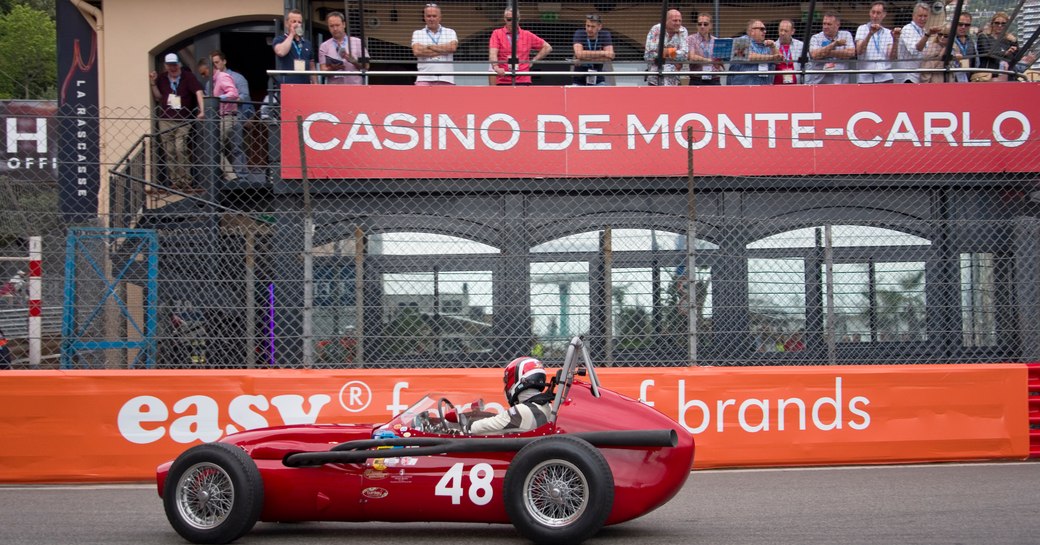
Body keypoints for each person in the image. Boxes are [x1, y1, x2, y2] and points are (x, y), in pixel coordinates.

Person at [149, 53, 204, 191]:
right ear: (165, 66)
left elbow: (198, 92)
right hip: (166, 120)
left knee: (181, 148)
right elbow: (158, 97)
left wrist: (202, 110)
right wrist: (153, 83)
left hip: (183, 120)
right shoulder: (162, 78)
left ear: (179, 64)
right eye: (169, 65)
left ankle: (185, 181)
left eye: (174, 64)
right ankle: (174, 181)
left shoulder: (188, 76)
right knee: (169, 151)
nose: (172, 67)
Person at [470, 356, 553, 435]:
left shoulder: (522, 411)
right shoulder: (548, 406)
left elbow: (476, 429)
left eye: (507, 380)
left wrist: (468, 424)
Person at [489, 9, 552, 86]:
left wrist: (533, 61)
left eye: (515, 19)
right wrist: (496, 67)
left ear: (519, 19)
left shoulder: (527, 35)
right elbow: (493, 53)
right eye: (509, 19)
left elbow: (547, 47)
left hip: (523, 78)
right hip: (504, 78)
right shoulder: (497, 33)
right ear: (504, 19)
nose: (512, 22)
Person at [208, 50, 242, 180]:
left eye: (216, 62)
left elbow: (233, 94)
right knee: (221, 147)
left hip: (228, 116)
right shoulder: (213, 81)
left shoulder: (222, 77)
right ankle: (228, 176)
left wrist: (218, 99)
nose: (215, 66)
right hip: (220, 117)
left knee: (214, 145)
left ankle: (232, 176)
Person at [411, 3, 458, 86]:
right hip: (424, 78)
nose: (431, 19)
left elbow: (452, 48)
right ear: (424, 17)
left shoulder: (450, 32)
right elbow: (417, 52)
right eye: (428, 16)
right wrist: (444, 50)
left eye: (434, 16)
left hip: (446, 79)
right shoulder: (417, 33)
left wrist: (429, 46)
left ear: (440, 17)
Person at [855, 2, 898, 83]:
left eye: (878, 13)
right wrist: (870, 33)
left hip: (885, 78)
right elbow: (859, 51)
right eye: (873, 12)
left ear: (884, 15)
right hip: (865, 78)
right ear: (869, 13)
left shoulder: (888, 33)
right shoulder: (862, 29)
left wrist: (895, 40)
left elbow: (892, 57)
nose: (875, 16)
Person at [807, 12, 856, 85]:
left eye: (829, 24)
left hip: (841, 82)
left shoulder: (846, 35)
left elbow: (851, 53)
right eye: (824, 23)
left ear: (837, 25)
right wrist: (834, 44)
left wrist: (826, 52)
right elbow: (815, 54)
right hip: (821, 83)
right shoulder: (816, 38)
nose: (825, 26)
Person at [319, 11, 367, 85]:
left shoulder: (358, 42)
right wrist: (333, 68)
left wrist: (354, 61)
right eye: (331, 26)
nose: (335, 29)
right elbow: (322, 71)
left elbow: (367, 66)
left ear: (344, 24)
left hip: (354, 88)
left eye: (337, 25)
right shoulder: (324, 46)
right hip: (334, 89)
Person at [643, 9, 688, 86]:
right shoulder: (656, 29)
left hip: (674, 80)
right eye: (675, 20)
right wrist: (674, 53)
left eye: (680, 21)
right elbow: (648, 55)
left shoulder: (683, 31)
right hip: (655, 79)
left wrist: (664, 51)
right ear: (666, 20)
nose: (678, 23)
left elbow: (684, 55)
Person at [728, 20, 779, 86]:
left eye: (765, 29)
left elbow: (779, 60)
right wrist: (771, 58)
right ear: (752, 31)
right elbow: (747, 56)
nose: (765, 31)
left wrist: (773, 46)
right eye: (761, 29)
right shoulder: (740, 41)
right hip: (743, 88)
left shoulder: (767, 44)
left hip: (764, 88)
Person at [273, 8, 317, 85]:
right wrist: (291, 35)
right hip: (287, 86)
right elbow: (280, 52)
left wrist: (315, 83)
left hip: (304, 86)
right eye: (294, 21)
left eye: (299, 22)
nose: (297, 24)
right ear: (287, 24)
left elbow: (312, 66)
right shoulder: (280, 39)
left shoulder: (307, 43)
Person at [896, 3, 937, 83]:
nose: (923, 18)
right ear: (913, 16)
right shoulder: (908, 29)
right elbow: (915, 50)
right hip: (908, 76)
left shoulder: (923, 31)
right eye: (920, 16)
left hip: (919, 74)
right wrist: (928, 35)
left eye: (925, 16)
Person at [572, 13, 614, 85]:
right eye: (587, 26)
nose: (589, 29)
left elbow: (610, 56)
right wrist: (603, 53)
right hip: (579, 80)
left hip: (598, 79)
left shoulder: (605, 35)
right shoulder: (580, 33)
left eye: (593, 26)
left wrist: (583, 59)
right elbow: (579, 54)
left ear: (599, 27)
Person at [977, 12, 1018, 81]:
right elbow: (987, 52)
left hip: (1007, 75)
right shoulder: (984, 37)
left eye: (1003, 24)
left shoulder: (1008, 40)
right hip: (989, 75)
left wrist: (1015, 42)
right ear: (992, 24)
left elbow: (1016, 56)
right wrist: (1005, 53)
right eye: (997, 23)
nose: (1000, 25)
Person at [687, 13, 722, 86]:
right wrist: (708, 60)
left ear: (711, 26)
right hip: (697, 78)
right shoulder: (691, 39)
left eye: (705, 24)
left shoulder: (716, 41)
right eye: (700, 24)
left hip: (714, 78)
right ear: (697, 26)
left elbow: (719, 62)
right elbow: (692, 57)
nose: (702, 26)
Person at [950, 13, 978, 82]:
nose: (963, 27)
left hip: (968, 81)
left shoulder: (972, 42)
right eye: (960, 24)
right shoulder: (947, 40)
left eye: (967, 25)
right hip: (952, 81)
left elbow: (975, 63)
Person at [774, 19, 803, 84]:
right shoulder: (773, 46)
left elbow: (806, 65)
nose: (782, 33)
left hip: (796, 86)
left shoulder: (800, 45)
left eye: (786, 31)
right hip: (776, 86)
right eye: (781, 30)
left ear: (792, 31)